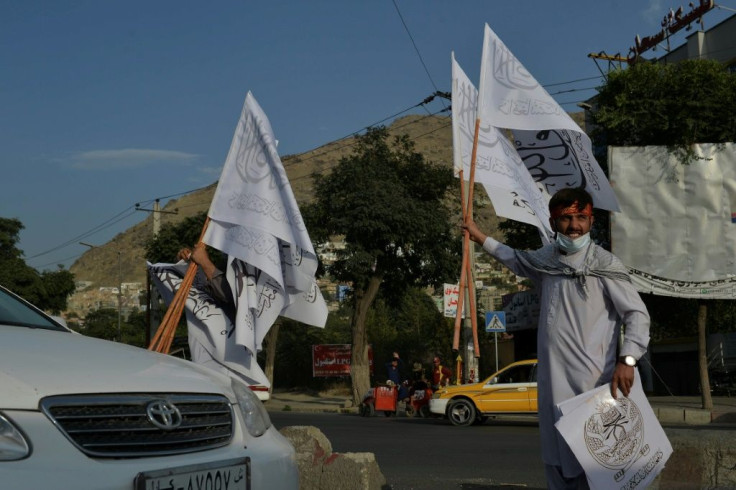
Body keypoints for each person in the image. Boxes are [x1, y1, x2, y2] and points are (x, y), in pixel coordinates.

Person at [463, 187, 650, 490]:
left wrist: (627, 360)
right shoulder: (546, 263)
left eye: (581, 217)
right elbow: (517, 259)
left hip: (593, 387)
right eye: (566, 218)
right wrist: (479, 235)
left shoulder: (605, 265)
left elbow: (637, 315)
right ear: (553, 222)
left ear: (591, 221)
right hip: (552, 387)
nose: (574, 225)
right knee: (556, 462)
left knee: (597, 469)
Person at [177, 243, 235, 319]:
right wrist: (188, 263)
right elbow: (206, 291)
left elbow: (231, 295)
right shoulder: (226, 262)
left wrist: (205, 263)